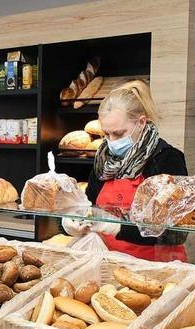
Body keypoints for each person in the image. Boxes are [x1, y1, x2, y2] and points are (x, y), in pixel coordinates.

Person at [62, 80, 188, 262]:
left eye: (119, 134)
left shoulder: (166, 159)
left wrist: (118, 227)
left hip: (155, 269)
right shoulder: (104, 159)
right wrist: (71, 221)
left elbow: (176, 232)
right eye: (106, 134)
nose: (111, 141)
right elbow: (87, 207)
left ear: (141, 123)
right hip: (108, 264)